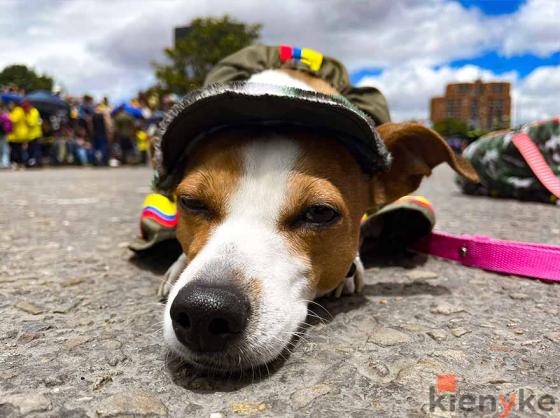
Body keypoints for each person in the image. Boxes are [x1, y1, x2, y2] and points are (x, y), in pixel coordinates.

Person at [7, 101, 28, 169]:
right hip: (16, 134)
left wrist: (7, 116)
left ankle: (19, 163)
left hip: (19, 134)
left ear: (14, 104)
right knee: (16, 149)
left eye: (10, 104)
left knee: (17, 150)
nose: (9, 105)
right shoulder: (15, 111)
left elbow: (14, 119)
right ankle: (18, 163)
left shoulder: (18, 110)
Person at [21, 100, 43, 167]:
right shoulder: (30, 112)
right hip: (30, 135)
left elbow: (31, 123)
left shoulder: (34, 111)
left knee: (34, 149)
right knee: (30, 149)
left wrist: (26, 119)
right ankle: (32, 162)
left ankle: (36, 162)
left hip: (35, 134)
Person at [0, 102, 13, 168]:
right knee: (4, 149)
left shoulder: (5, 116)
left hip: (3, 135)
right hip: (3, 134)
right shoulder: (5, 116)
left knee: (4, 149)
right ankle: (4, 163)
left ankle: (4, 163)